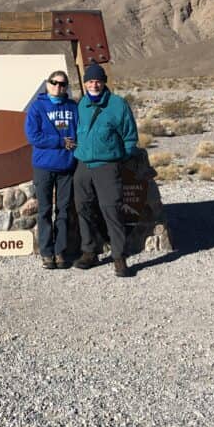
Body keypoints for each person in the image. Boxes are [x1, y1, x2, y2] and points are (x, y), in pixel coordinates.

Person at [72, 63, 139, 278]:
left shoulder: (117, 105)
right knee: (83, 208)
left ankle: (119, 258)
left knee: (111, 209)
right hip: (83, 165)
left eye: (97, 81)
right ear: (85, 84)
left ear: (104, 82)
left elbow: (130, 136)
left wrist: (120, 159)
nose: (94, 84)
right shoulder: (81, 104)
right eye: (90, 81)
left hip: (107, 166)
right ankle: (89, 252)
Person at [24, 70, 79, 269]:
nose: (58, 87)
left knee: (63, 210)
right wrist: (59, 141)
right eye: (54, 83)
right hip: (43, 166)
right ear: (47, 84)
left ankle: (60, 251)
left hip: (66, 166)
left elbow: (78, 131)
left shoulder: (73, 107)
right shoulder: (37, 107)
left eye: (62, 84)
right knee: (45, 210)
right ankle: (46, 253)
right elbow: (33, 136)